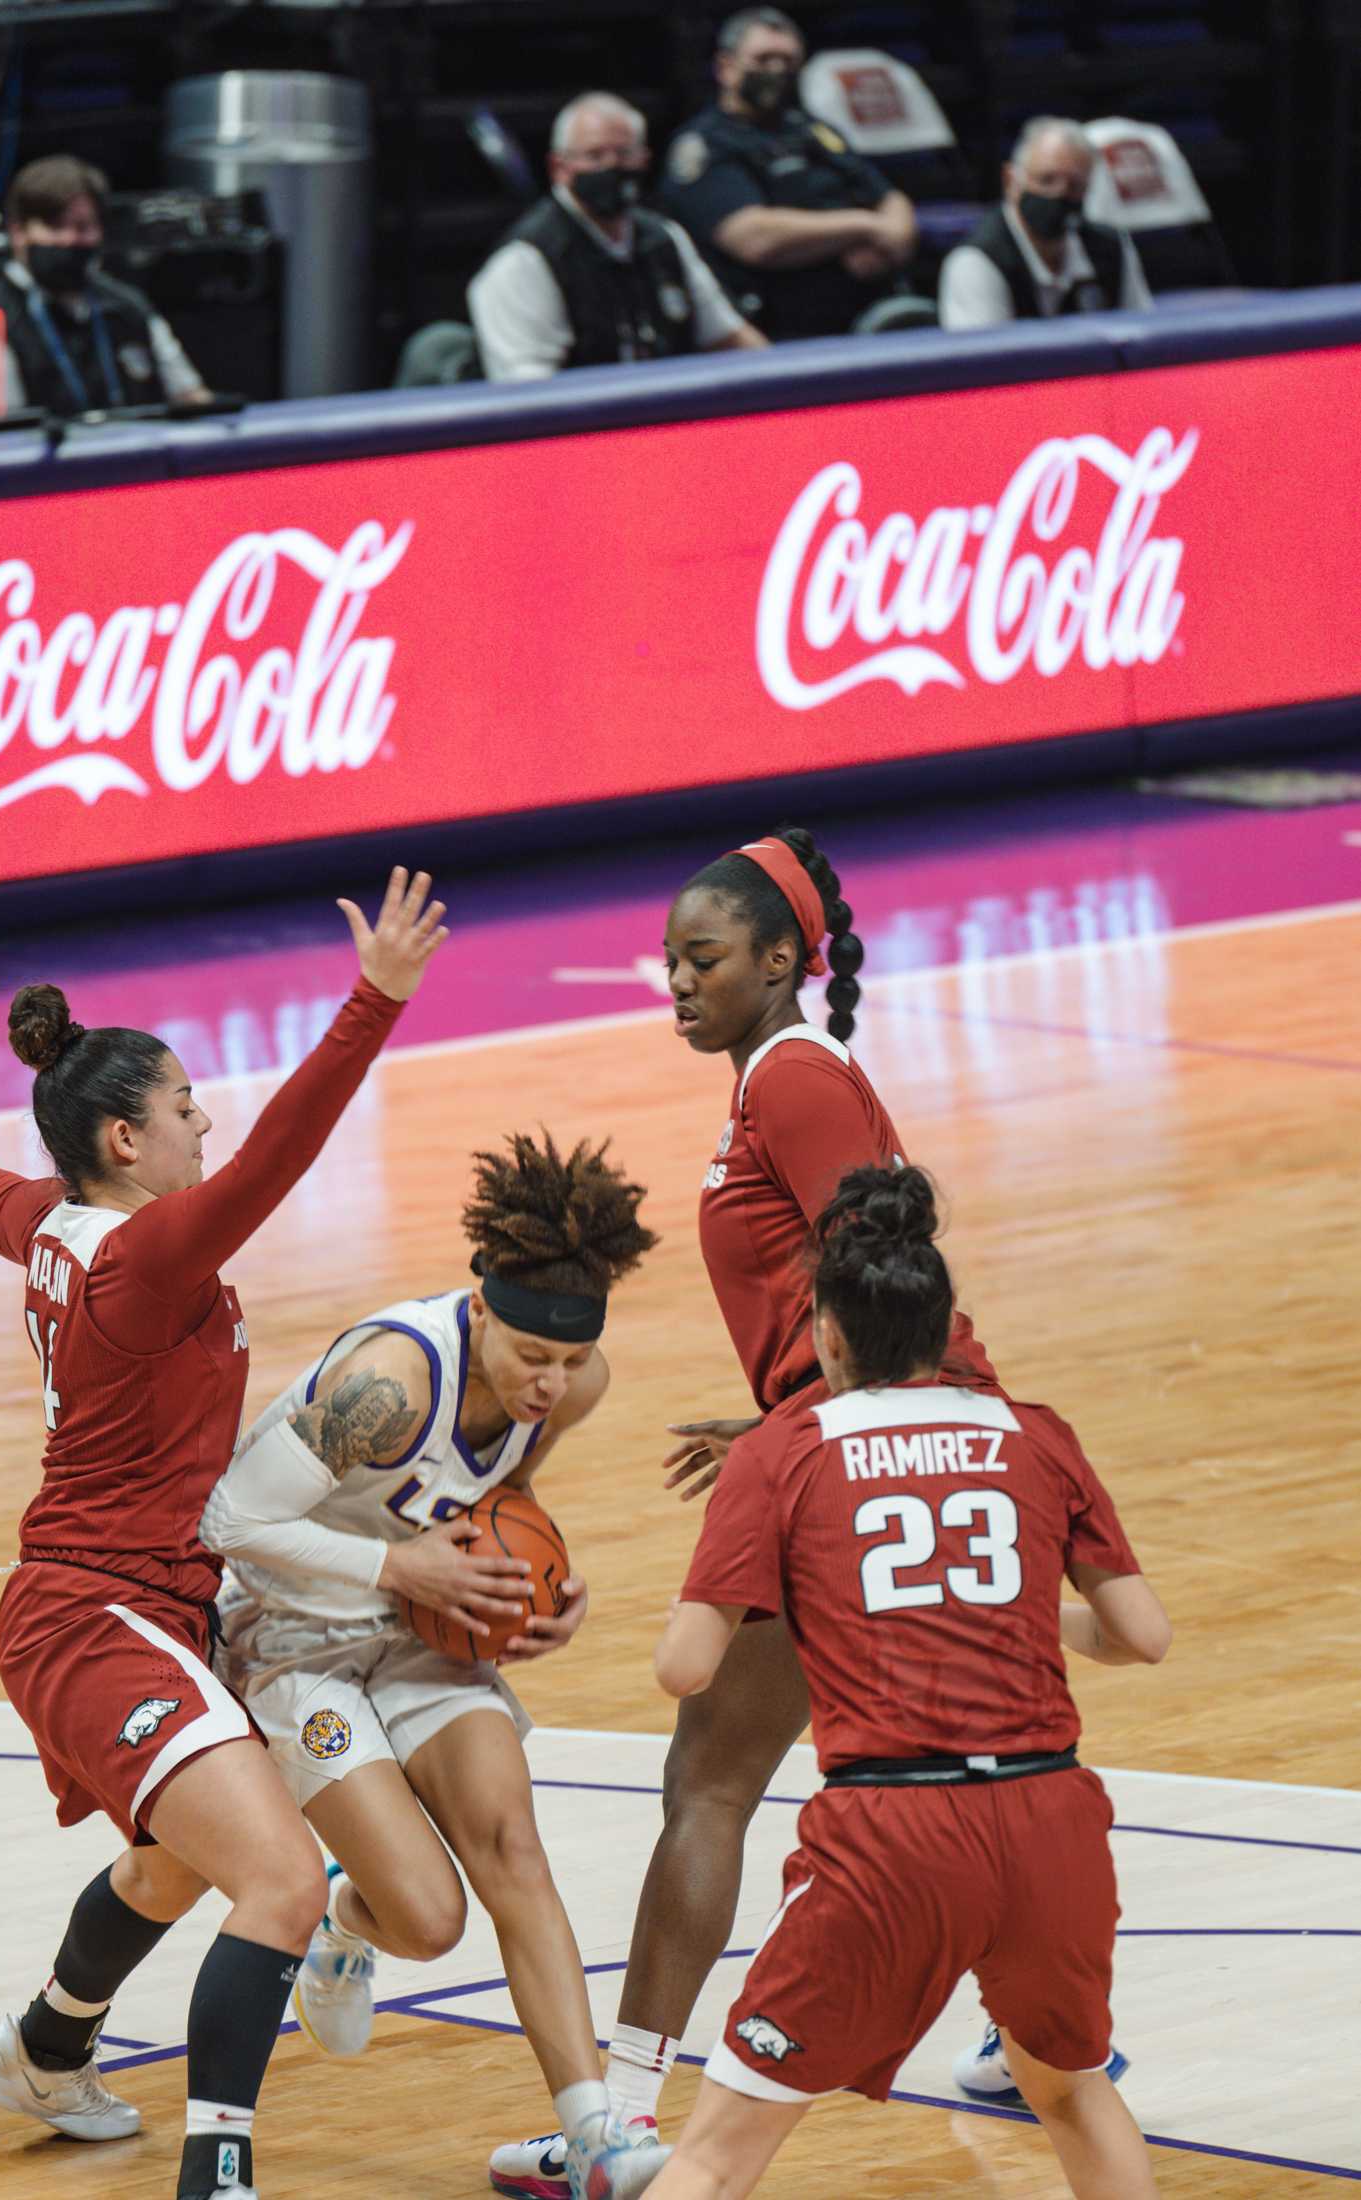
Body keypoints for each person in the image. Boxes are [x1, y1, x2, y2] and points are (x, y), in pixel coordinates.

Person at [487, 827, 1119, 2194]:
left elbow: (888, 1276)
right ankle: (1046, 2038)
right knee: (983, 1755)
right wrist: (790, 1418)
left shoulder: (794, 1076)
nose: (676, 980)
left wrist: (823, 1436)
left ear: (781, 960)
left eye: (702, 958)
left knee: (710, 1778)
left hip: (890, 1444)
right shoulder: (776, 1079)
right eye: (666, 960)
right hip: (878, 1432)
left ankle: (624, 2125)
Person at [0, 869, 445, 2200]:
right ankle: (217, 2173)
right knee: (286, 1881)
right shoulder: (148, 1258)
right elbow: (282, 1152)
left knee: (184, 1857)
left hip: (130, 1602)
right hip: (94, 1612)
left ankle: (45, 2047)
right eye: (183, 1109)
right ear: (125, 1142)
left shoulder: (50, 1224)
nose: (204, 1125)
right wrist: (373, 1003)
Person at [641, 1165, 1171, 2200]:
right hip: (1048, 1824)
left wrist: (830, 1595)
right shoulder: (1034, 1430)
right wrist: (992, 1607)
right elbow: (1138, 1636)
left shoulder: (783, 1449)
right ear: (942, 1332)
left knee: (714, 2151)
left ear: (826, 1337)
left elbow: (683, 1665)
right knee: (1067, 2089)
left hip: (895, 1837)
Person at [200, 1132, 669, 2200]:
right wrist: (398, 1565)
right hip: (292, 1634)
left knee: (512, 1843)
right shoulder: (389, 1381)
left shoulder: (574, 1383)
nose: (550, 1382)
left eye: (568, 1360)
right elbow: (229, 1515)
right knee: (429, 1917)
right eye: (529, 1358)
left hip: (421, 1623)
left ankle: (594, 2133)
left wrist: (546, 1586)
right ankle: (346, 1919)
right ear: (480, 1310)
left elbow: (500, 1501)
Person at [658, 9, 918, 342]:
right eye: (764, 59)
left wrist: (894, 240)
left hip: (869, 315)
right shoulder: (705, 145)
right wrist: (864, 227)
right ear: (726, 67)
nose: (777, 70)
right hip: (780, 331)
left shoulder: (811, 129)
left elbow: (889, 197)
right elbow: (753, 237)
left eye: (788, 61)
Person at [468, 92, 766, 380]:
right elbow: (527, 396)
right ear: (559, 167)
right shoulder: (525, 261)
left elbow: (730, 338)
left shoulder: (665, 239)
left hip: (665, 417)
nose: (612, 167)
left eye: (624, 154)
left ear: (645, 160)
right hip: (581, 425)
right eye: (594, 156)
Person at [0, 156, 211, 417]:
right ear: (18, 233)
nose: (69, 239)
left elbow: (193, 398)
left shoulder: (128, 307)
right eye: (54, 226)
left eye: (83, 227)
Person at [939, 117, 1153, 330]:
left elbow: (1141, 333)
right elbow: (985, 358)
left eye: (1075, 185)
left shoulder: (1112, 246)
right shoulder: (976, 261)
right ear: (1010, 181)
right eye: (1046, 180)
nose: (1059, 193)